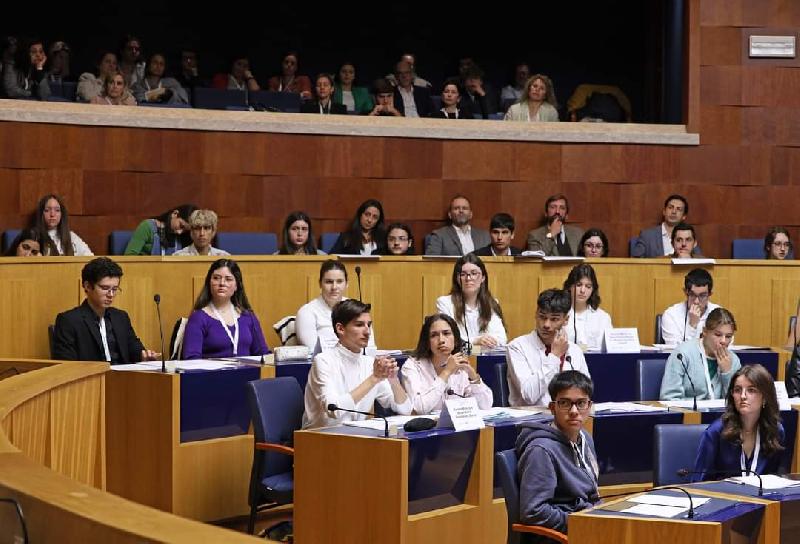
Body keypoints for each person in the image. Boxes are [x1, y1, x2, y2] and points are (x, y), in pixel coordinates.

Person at [302, 299, 411, 429]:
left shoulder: (369, 363)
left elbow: (405, 410)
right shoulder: (323, 361)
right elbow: (334, 410)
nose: (367, 332)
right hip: (318, 439)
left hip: (355, 437)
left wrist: (393, 380)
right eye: (359, 325)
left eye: (368, 325)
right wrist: (374, 379)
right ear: (340, 328)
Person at [516, 371, 600, 534]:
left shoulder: (585, 438)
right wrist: (580, 522)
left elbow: (592, 494)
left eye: (581, 403)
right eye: (565, 403)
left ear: (589, 407)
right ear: (553, 408)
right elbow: (533, 511)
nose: (574, 411)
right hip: (561, 535)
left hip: (586, 521)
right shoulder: (541, 450)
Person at [52, 257, 159, 364]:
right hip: (92, 378)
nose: (111, 295)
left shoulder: (121, 317)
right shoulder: (69, 321)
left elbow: (134, 349)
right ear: (87, 286)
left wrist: (144, 356)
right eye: (105, 288)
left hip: (123, 378)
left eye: (115, 289)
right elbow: (66, 365)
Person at [692, 364, 785, 481]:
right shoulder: (716, 432)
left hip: (761, 498)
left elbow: (775, 479)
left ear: (765, 397)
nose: (743, 396)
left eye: (751, 390)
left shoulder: (775, 431)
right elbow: (699, 484)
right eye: (737, 390)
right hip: (723, 498)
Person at [506, 289, 590, 407]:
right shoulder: (517, 347)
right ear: (536, 314)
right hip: (531, 420)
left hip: (569, 418)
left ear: (566, 320)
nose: (546, 324)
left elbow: (586, 392)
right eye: (542, 317)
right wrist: (554, 356)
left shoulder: (575, 350)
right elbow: (529, 396)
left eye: (554, 319)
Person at [401, 313, 493, 414]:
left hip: (457, 428)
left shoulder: (460, 365)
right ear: (427, 342)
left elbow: (485, 405)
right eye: (434, 335)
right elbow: (419, 408)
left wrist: (472, 375)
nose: (441, 340)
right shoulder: (412, 366)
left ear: (456, 340)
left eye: (446, 333)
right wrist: (446, 372)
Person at [182, 259, 270, 359]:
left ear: (237, 285)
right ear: (209, 283)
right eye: (216, 278)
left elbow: (263, 354)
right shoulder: (198, 318)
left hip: (247, 373)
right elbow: (191, 359)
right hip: (212, 374)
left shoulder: (248, 317)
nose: (222, 283)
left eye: (228, 279)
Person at [660, 307, 740, 401]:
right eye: (718, 335)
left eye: (728, 336)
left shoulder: (733, 361)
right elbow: (668, 399)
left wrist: (727, 374)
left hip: (721, 415)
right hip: (689, 414)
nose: (723, 341)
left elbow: (736, 403)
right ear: (705, 331)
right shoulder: (682, 354)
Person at [296, 260, 376, 351]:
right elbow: (313, 351)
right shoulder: (306, 312)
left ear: (346, 284)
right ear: (320, 284)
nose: (334, 287)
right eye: (329, 282)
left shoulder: (357, 309)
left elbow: (370, 348)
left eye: (339, 281)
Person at [436, 254, 507, 349]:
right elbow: (450, 339)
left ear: (483, 277)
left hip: (486, 356)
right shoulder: (445, 303)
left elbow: (502, 339)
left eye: (474, 273)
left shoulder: (492, 303)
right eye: (463, 274)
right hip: (458, 357)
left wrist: (486, 342)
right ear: (457, 279)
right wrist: (476, 341)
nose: (468, 278)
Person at [661, 268, 719, 346]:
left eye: (702, 296)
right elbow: (677, 353)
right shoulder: (671, 315)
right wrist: (692, 326)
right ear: (685, 292)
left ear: (709, 294)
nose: (696, 301)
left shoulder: (719, 314)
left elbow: (726, 346)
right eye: (692, 294)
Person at [563, 264, 613, 351]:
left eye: (588, 286)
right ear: (569, 287)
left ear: (593, 289)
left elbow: (610, 349)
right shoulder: (559, 315)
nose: (582, 290)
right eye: (578, 285)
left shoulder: (603, 318)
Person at [425, 195, 490, 256]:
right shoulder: (439, 235)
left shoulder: (485, 236)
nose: (461, 211)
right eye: (456, 208)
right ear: (450, 214)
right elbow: (431, 263)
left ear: (470, 214)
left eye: (465, 208)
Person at [124, 204, 197, 255]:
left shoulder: (182, 237)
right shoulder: (147, 227)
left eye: (185, 231)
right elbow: (129, 257)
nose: (179, 232)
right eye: (181, 226)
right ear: (175, 214)